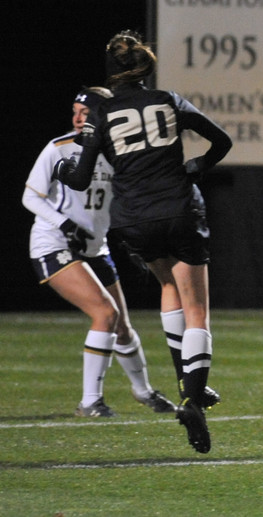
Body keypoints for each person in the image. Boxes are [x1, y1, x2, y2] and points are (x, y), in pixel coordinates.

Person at [56, 30, 233, 453]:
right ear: (145, 67)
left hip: (133, 218)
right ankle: (193, 395)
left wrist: (63, 171)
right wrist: (197, 165)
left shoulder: (102, 112)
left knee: (169, 288)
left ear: (111, 73)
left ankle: (189, 386)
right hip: (177, 207)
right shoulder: (168, 100)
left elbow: (79, 178)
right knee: (197, 309)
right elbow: (221, 141)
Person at [22, 86, 176, 418]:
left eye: (85, 112)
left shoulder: (121, 154)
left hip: (95, 246)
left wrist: (134, 239)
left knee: (122, 326)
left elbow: (121, 204)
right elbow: (30, 197)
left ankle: (144, 391)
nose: (78, 118)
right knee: (105, 315)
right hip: (54, 243)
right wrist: (64, 225)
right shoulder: (59, 148)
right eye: (75, 111)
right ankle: (90, 402)